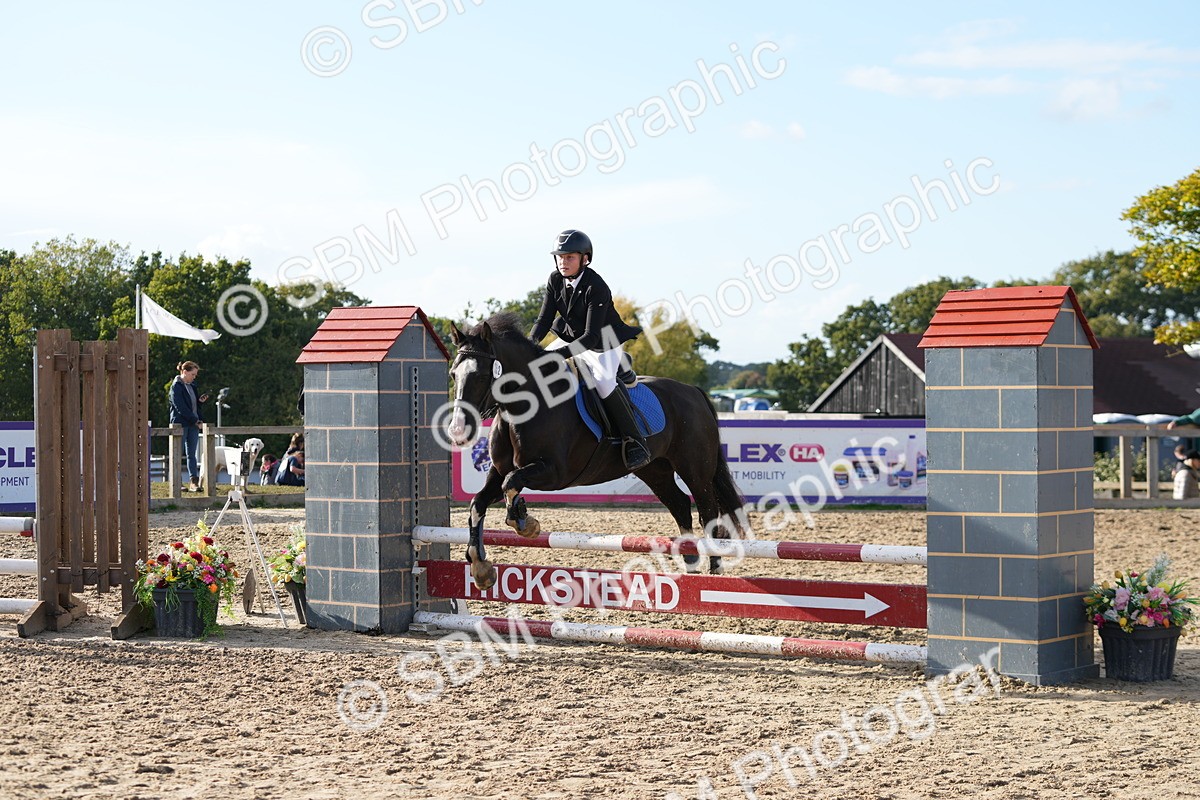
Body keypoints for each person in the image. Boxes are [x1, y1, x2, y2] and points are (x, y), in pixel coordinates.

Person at [528, 229, 650, 471]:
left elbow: (591, 336)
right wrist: (530, 346)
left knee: (604, 383)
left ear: (585, 258)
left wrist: (557, 355)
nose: (564, 262)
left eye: (570, 257)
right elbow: (543, 321)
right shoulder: (554, 280)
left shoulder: (597, 286)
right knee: (537, 366)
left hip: (602, 343)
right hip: (572, 336)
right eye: (560, 257)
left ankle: (634, 440)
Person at [168, 361, 209, 492]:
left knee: (192, 454)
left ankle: (193, 482)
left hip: (193, 423)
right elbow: (180, 407)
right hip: (181, 424)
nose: (194, 377)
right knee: (177, 454)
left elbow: (192, 405)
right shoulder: (176, 387)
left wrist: (199, 401)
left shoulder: (192, 386)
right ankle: (177, 482)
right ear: (184, 372)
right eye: (193, 374)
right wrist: (196, 420)